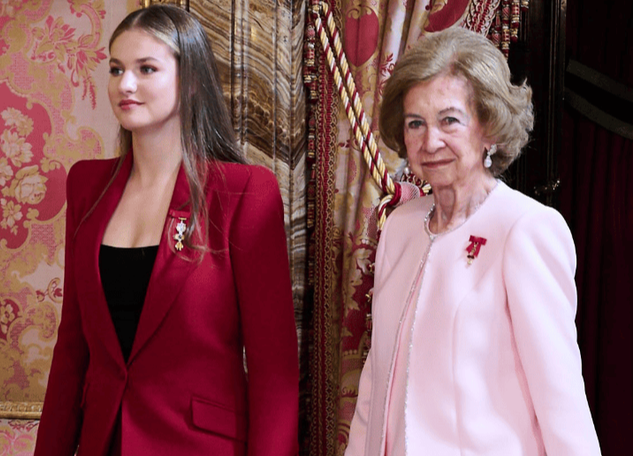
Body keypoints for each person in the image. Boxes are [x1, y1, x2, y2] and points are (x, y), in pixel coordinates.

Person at [33, 5, 299, 456]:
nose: (125, 84)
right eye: (116, 69)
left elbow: (274, 371)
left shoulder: (245, 192)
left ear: (191, 80)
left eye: (146, 69)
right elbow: (72, 349)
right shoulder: (86, 185)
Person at [345, 27, 600, 456]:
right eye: (415, 123)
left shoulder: (524, 229)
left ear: (489, 128)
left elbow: (562, 405)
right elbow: (376, 383)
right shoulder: (400, 227)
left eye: (449, 120)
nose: (430, 141)